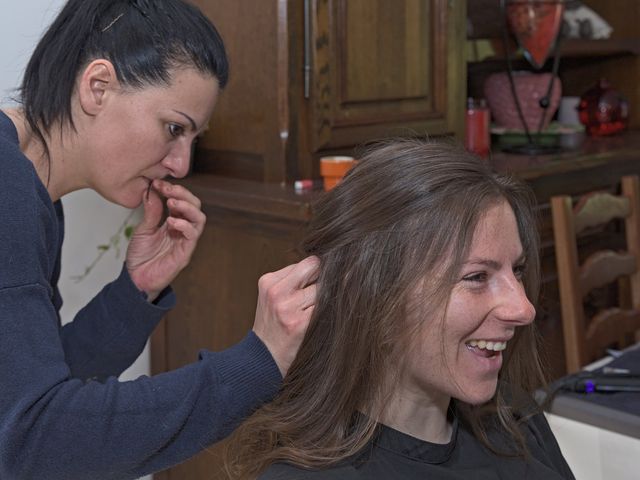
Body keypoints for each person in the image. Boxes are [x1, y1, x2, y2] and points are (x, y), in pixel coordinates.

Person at [0, 1, 317, 479]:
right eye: (173, 129)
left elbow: (24, 390)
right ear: (98, 86)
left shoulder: (34, 191)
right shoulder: (9, 189)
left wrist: (133, 293)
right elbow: (38, 439)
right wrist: (261, 361)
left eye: (192, 139)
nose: (181, 164)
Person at [225, 138, 576, 479]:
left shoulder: (512, 416)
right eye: (476, 277)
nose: (523, 309)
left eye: (516, 270)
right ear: (371, 293)